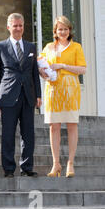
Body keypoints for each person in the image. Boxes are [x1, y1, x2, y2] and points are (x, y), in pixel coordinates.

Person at [0, 13, 41, 178]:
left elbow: (34, 73)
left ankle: (27, 167)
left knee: (28, 135)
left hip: (28, 96)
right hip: (8, 96)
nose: (18, 28)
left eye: (21, 25)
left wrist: (38, 95)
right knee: (8, 134)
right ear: (8, 27)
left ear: (23, 27)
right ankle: (9, 169)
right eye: (15, 26)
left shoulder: (31, 47)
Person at [39, 16, 86, 178]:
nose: (63, 32)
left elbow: (82, 70)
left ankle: (70, 163)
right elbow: (40, 63)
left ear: (69, 30)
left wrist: (63, 66)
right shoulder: (49, 47)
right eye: (60, 29)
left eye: (65, 29)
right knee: (54, 126)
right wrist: (42, 72)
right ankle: (56, 163)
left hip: (70, 89)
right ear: (55, 31)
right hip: (53, 89)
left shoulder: (76, 47)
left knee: (72, 125)